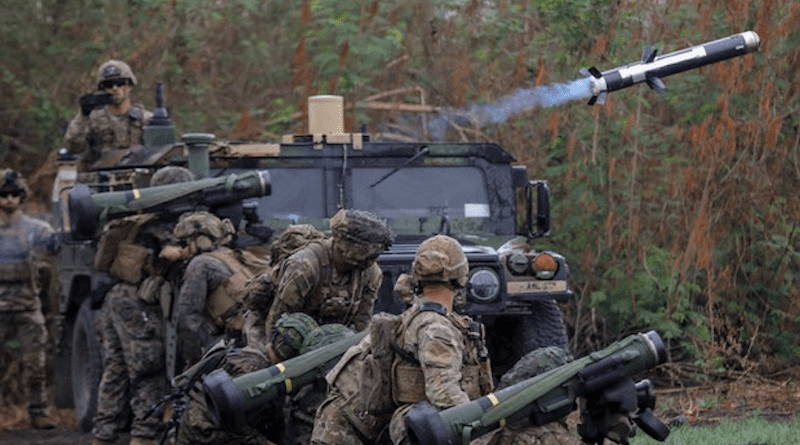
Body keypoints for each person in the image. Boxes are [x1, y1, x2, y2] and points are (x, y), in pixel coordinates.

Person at [311, 234, 493, 445]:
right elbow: (444, 396)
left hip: (347, 424)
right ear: (461, 277)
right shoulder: (436, 328)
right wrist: (483, 430)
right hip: (346, 431)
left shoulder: (417, 315)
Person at [91, 166, 194, 445]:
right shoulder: (155, 227)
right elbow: (164, 256)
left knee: (117, 369)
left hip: (119, 300)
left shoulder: (137, 219)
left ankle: (103, 434)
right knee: (148, 366)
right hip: (135, 305)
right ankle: (144, 436)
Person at [174, 313, 352, 445]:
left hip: (204, 425)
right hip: (205, 431)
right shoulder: (254, 368)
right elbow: (233, 423)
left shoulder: (256, 354)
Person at [261, 209, 392, 341]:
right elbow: (277, 321)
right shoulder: (305, 266)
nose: (372, 261)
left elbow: (362, 322)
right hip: (289, 339)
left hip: (333, 341)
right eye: (369, 255)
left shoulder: (370, 273)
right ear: (346, 247)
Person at [170, 211, 269, 369]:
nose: (183, 249)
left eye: (186, 243)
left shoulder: (200, 265)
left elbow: (188, 318)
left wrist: (197, 361)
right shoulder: (233, 256)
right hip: (256, 339)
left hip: (233, 346)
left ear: (200, 240)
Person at [0, 169, 58, 429]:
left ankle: (39, 411)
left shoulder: (34, 228)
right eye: (4, 195)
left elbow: (52, 241)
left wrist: (58, 239)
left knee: (35, 363)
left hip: (26, 303)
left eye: (14, 195)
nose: (9, 200)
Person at [63, 59, 153, 170]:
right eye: (109, 85)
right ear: (102, 89)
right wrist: (82, 115)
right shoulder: (92, 120)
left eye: (120, 83)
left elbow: (161, 153)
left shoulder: (147, 120)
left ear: (129, 86)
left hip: (139, 181)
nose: (115, 88)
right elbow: (73, 147)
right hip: (100, 181)